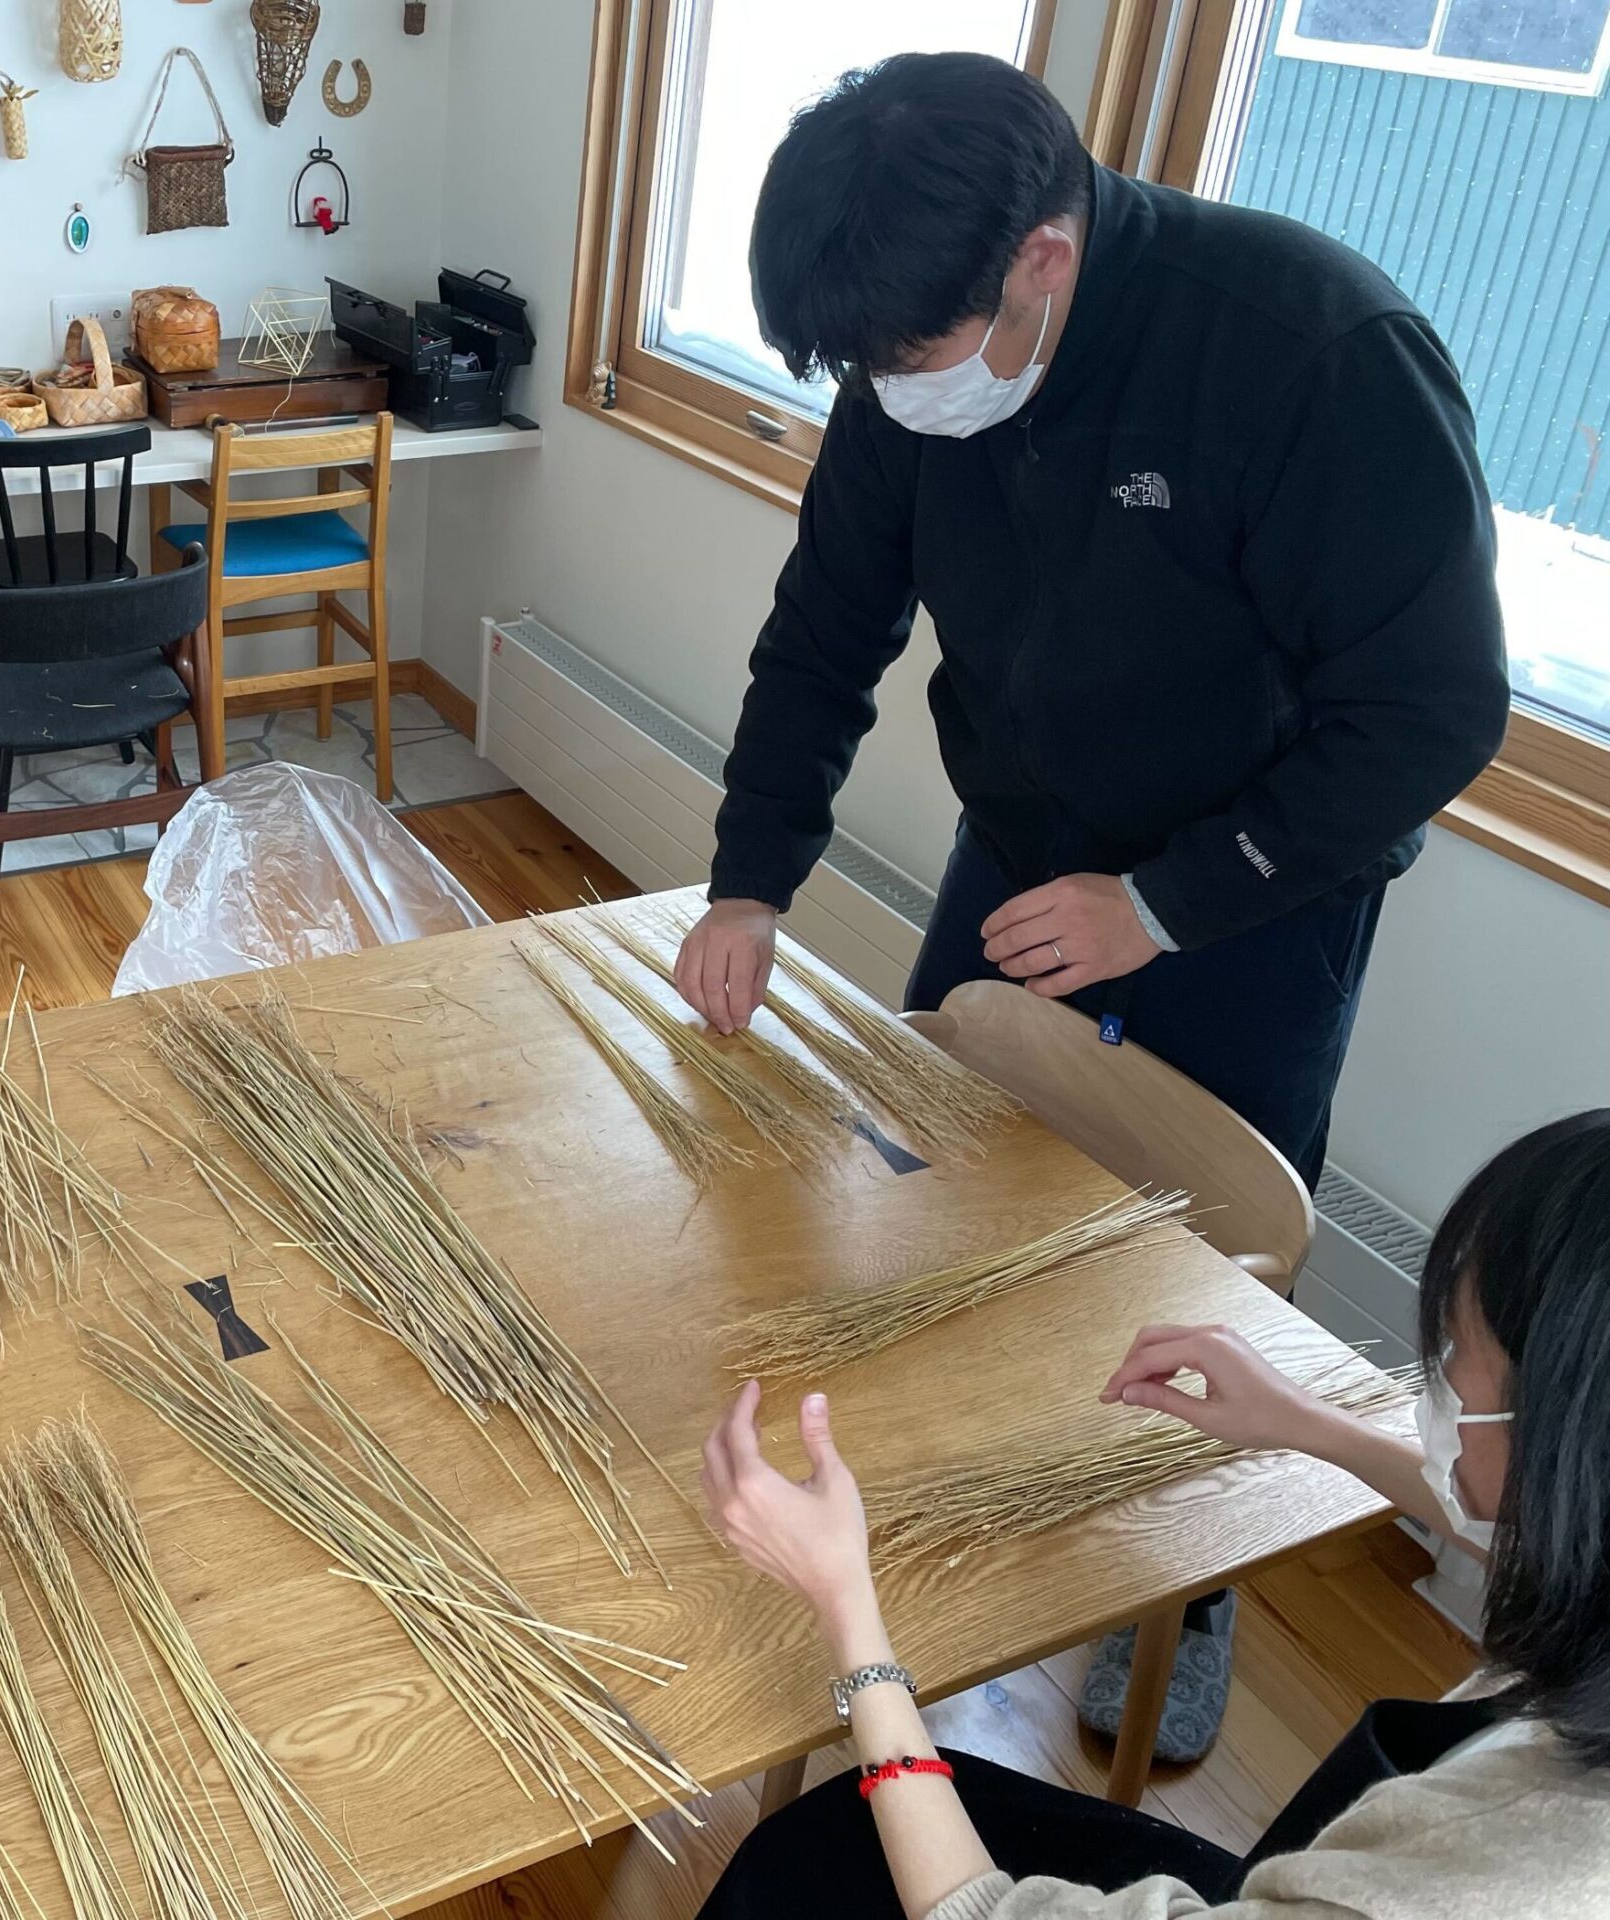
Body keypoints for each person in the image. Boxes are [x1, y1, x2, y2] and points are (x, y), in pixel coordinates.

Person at [670, 50, 1509, 1758]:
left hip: (1253, 895)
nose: (893, 396)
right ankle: (902, 1539)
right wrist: (751, 878)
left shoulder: (1310, 353)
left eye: (909, 363)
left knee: (1200, 1277)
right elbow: (826, 634)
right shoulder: (917, 354)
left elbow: (1434, 713)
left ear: (1041, 262)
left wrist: (1171, 905)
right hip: (1026, 836)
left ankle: (1171, 1598)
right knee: (931, 1200)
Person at [693, 1110, 1610, 1919]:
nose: (1439, 1369)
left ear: (1561, 1428)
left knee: (796, 1867)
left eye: (1458, 1349)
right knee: (825, 1840)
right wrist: (1300, 1421)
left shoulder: (1522, 1868)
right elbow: (1526, 1540)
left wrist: (847, 1609)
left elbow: (980, 1911)